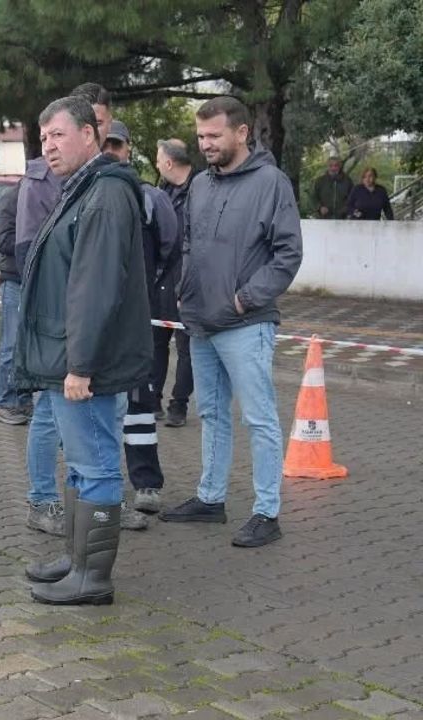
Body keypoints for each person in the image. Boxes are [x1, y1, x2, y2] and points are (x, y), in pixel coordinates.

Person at [16, 95, 152, 605]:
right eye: (43, 137)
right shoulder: (83, 189)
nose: (48, 146)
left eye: (58, 135)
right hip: (68, 358)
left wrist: (80, 365)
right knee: (78, 465)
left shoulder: (106, 194)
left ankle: (92, 578)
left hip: (85, 364)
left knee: (95, 466)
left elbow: (95, 287)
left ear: (90, 134)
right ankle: (76, 560)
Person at [160, 96, 302, 548]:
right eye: (201, 136)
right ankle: (210, 499)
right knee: (212, 413)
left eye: (214, 135)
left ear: (242, 133)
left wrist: (246, 299)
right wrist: (185, 288)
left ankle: (267, 513)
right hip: (201, 322)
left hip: (246, 323)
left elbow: (288, 254)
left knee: (258, 419)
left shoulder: (271, 183)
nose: (205, 144)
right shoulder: (201, 184)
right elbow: (188, 243)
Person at [101, 121, 178, 522]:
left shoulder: (151, 197)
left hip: (138, 319)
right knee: (97, 405)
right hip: (97, 319)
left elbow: (168, 247)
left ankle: (147, 484)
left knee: (139, 402)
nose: (111, 151)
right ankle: (102, 490)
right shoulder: (83, 192)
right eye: (105, 144)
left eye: (117, 144)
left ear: (129, 148)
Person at [152, 139, 196, 428]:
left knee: (186, 348)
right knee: (156, 341)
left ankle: (178, 405)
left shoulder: (201, 190)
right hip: (162, 279)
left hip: (188, 280)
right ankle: (152, 399)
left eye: (158, 160)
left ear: (169, 163)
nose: (157, 165)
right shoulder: (162, 193)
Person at [0, 188, 31, 424]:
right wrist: (33, 239)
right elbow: (3, 240)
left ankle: (23, 400)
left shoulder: (50, 192)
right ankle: (4, 402)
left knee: (27, 347)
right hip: (14, 279)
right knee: (11, 345)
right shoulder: (12, 198)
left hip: (35, 281)